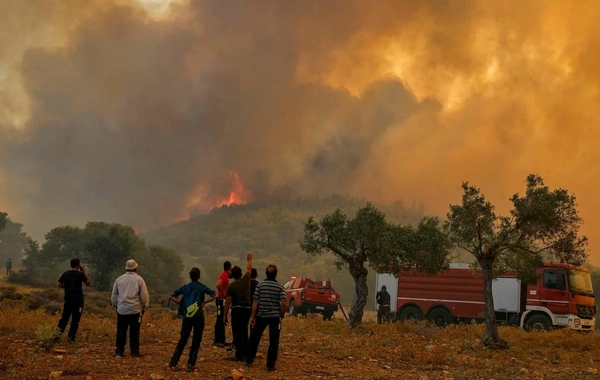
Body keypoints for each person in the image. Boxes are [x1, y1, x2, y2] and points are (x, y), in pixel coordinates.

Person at [168, 267, 217, 372]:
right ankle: (191, 364)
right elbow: (214, 294)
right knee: (196, 340)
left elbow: (172, 295)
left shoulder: (185, 287)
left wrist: (181, 304)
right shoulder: (202, 287)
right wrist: (204, 303)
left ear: (190, 277)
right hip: (199, 316)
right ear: (199, 276)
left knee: (183, 339)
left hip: (187, 317)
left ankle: (173, 362)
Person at [245, 264, 288, 371]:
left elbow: (255, 302)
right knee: (273, 340)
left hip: (261, 315)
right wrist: (281, 314)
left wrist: (253, 316)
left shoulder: (260, 285)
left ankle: (249, 360)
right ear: (275, 274)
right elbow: (284, 303)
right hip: (275, 317)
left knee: (254, 337)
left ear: (266, 274)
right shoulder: (280, 287)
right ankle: (270, 364)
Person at [111, 259, 149, 357]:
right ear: (136, 268)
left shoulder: (119, 279)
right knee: (135, 331)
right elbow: (144, 295)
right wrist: (144, 306)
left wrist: (115, 305)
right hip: (135, 310)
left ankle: (119, 350)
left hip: (122, 310)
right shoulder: (139, 279)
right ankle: (134, 351)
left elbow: (114, 295)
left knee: (121, 331)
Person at [223, 252, 253, 362]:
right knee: (244, 330)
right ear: (241, 274)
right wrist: (249, 259)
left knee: (237, 332)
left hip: (236, 309)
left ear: (232, 275)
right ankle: (246, 353)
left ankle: (239, 354)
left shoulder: (231, 286)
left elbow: (227, 302)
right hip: (247, 309)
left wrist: (225, 316)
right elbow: (249, 268)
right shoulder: (246, 280)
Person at [54, 258, 91, 343]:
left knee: (64, 318)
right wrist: (84, 272)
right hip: (78, 301)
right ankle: (71, 338)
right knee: (75, 319)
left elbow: (59, 284)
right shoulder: (80, 274)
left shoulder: (66, 274)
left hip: (68, 300)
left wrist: (67, 287)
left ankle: (57, 336)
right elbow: (88, 283)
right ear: (78, 265)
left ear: (71, 265)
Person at [214, 260, 232, 347]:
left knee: (222, 319)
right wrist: (224, 294)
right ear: (229, 268)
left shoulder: (225, 275)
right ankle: (217, 340)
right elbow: (218, 285)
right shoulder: (224, 275)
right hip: (220, 300)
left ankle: (222, 339)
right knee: (219, 319)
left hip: (222, 300)